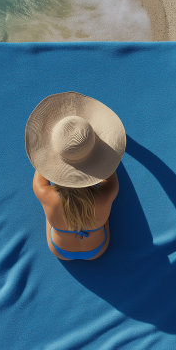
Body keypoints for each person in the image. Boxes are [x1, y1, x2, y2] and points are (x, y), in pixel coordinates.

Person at [25, 91, 126, 260]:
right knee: (101, 217)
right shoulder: (108, 193)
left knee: (53, 214)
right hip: (97, 250)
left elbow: (41, 165)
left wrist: (51, 149)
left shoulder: (43, 192)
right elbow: (109, 168)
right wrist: (94, 151)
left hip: (60, 250)